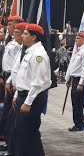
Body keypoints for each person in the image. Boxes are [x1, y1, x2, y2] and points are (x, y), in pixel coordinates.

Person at [12, 24, 51, 156]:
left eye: (25, 34)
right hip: (24, 95)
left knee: (29, 132)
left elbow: (37, 82)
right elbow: (23, 77)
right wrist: (17, 94)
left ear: (34, 37)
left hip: (32, 98)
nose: (22, 36)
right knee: (22, 132)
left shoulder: (38, 55)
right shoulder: (30, 51)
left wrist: (28, 102)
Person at [1, 22, 26, 156]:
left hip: (19, 87)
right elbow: (15, 67)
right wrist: (9, 80)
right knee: (8, 114)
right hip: (10, 80)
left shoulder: (22, 48)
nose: (14, 33)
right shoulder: (16, 45)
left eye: (18, 32)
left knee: (12, 116)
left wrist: (12, 81)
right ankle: (9, 142)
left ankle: (12, 143)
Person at [65, 32, 84, 131]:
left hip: (80, 80)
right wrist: (69, 79)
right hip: (74, 78)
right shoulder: (78, 50)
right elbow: (73, 66)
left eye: (78, 38)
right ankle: (78, 122)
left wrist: (81, 83)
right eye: (76, 38)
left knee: (78, 103)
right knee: (75, 103)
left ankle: (79, 124)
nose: (76, 40)